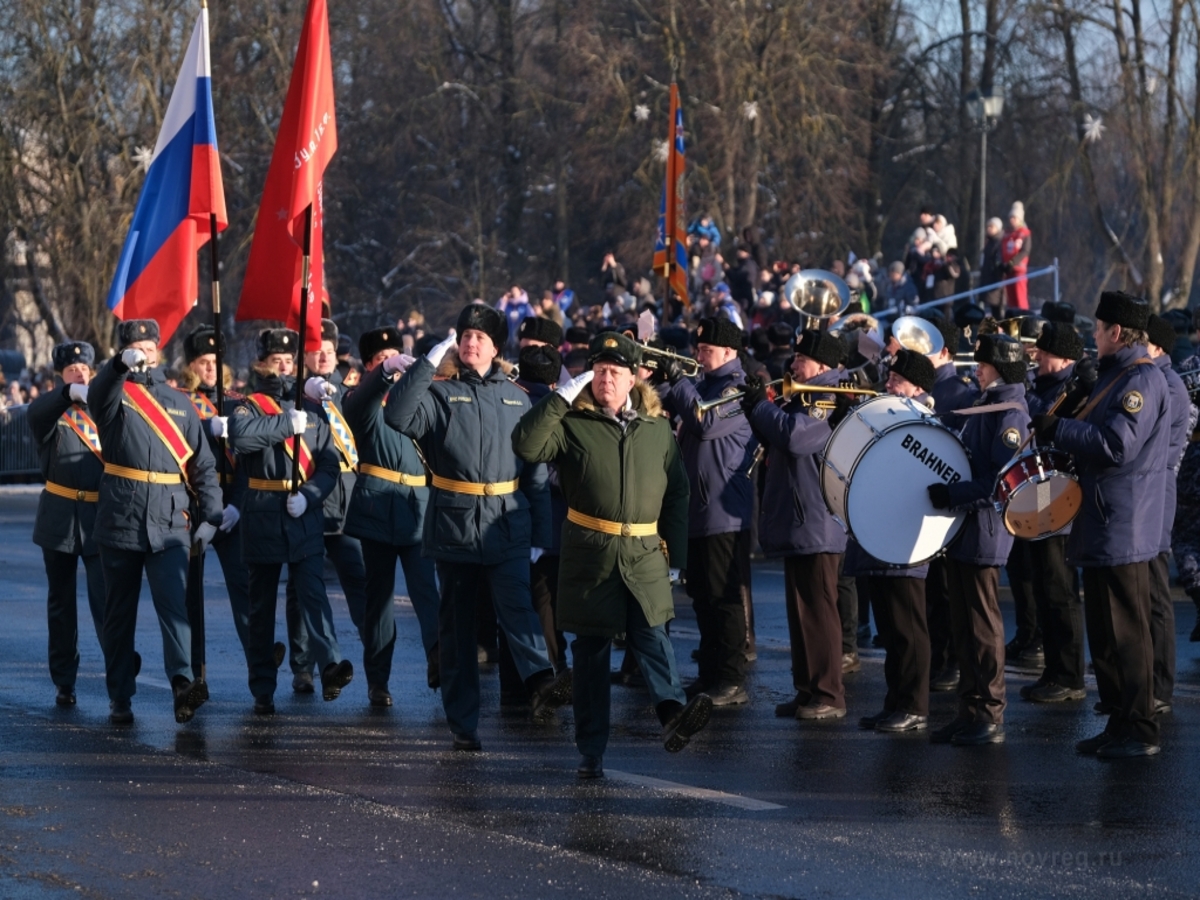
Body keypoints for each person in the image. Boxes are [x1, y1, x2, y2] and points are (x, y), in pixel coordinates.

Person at [513, 332, 707, 778]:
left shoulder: (657, 429)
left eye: (614, 372)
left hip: (643, 551)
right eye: (598, 371)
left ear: (633, 378)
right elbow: (525, 445)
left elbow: (677, 492)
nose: (605, 379)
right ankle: (591, 749)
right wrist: (561, 397)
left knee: (653, 635)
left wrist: (675, 558)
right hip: (591, 554)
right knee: (592, 654)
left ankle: (673, 714)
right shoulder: (573, 423)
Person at [384, 304, 570, 751]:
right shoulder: (440, 394)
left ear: (496, 348)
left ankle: (543, 680)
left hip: (506, 523)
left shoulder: (517, 397)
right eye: (464, 335)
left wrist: (541, 538)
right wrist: (429, 361)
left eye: (480, 337)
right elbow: (398, 417)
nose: (470, 343)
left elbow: (537, 473)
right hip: (454, 524)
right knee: (459, 629)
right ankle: (463, 721)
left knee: (518, 610)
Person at [1030, 292, 1169, 758]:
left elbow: (1117, 446)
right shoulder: (1116, 375)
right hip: (1102, 518)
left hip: (1122, 523)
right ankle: (1119, 720)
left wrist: (1058, 428)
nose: (1091, 336)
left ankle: (1142, 728)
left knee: (1129, 633)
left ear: (1116, 332)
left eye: (1097, 328)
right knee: (1106, 632)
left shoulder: (1142, 380)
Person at [89, 319, 222, 725]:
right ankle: (120, 695)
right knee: (119, 613)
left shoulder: (180, 401)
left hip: (169, 519)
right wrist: (116, 367)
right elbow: (98, 395)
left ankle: (182, 683)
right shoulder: (114, 396)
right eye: (135, 346)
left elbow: (203, 464)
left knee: (174, 605)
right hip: (121, 516)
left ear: (159, 352)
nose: (142, 352)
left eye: (148, 346)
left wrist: (212, 514)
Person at [226, 328, 354, 715]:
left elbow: (330, 463)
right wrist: (285, 425)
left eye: (289, 361)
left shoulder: (312, 408)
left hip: (303, 510)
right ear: (262, 364)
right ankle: (262, 683)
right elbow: (242, 439)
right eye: (276, 361)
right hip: (263, 509)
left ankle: (328, 665)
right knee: (262, 605)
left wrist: (311, 495)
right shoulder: (249, 405)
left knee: (313, 593)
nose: (283, 367)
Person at [926, 333, 1029, 746]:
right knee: (963, 626)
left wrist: (953, 495)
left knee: (983, 627)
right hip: (966, 528)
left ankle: (989, 711)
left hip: (985, 528)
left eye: (983, 363)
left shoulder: (1010, 411)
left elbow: (1001, 481)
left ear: (999, 367)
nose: (976, 369)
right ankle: (969, 710)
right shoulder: (986, 403)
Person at [745, 330, 849, 721]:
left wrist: (763, 409)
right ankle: (807, 688)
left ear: (822, 366)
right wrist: (756, 410)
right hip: (800, 517)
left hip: (817, 519)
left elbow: (796, 438)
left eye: (801, 358)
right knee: (801, 610)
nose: (793, 364)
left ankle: (829, 693)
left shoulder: (827, 397)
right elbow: (776, 436)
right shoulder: (803, 395)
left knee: (819, 610)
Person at [341, 326, 441, 706]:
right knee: (378, 601)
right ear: (368, 366)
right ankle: (378, 681)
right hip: (377, 506)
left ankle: (438, 658)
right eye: (381, 360)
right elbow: (359, 403)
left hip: (417, 503)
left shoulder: (416, 399)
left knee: (426, 592)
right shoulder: (363, 399)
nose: (392, 365)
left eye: (395, 357)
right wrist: (382, 376)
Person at [659, 317, 756, 706]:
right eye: (698, 349)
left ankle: (731, 679)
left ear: (730, 352)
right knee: (700, 595)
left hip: (723, 512)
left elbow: (705, 422)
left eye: (706, 350)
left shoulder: (737, 389)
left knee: (723, 597)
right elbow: (674, 403)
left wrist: (680, 381)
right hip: (698, 510)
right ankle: (710, 673)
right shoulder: (704, 385)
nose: (699, 355)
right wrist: (663, 379)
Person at [178, 325, 265, 690]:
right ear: (190, 365)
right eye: (202, 361)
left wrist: (240, 506)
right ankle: (195, 674)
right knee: (191, 596)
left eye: (215, 362)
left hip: (230, 504)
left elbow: (251, 460)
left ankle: (259, 669)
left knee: (245, 590)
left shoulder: (237, 401)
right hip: (194, 504)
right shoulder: (179, 401)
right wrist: (202, 425)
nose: (210, 368)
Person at [857, 349, 937, 733]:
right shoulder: (889, 413)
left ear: (918, 388)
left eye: (896, 381)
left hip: (907, 538)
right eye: (889, 379)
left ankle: (915, 706)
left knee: (908, 627)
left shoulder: (924, 421)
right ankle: (895, 701)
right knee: (889, 627)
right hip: (882, 532)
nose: (887, 385)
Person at [289, 319, 370, 696]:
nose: (321, 354)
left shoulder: (351, 393)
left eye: (328, 348)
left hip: (347, 505)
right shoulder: (291, 396)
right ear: (303, 355)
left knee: (358, 580)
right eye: (314, 348)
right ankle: (305, 666)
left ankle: (375, 660)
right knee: (303, 588)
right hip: (305, 501)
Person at [26, 340, 106, 707]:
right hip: (58, 515)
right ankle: (64, 680)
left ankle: (119, 672)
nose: (80, 374)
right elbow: (36, 410)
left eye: (85, 371)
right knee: (61, 604)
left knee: (105, 600)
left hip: (98, 516)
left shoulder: (101, 412)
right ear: (61, 376)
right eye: (72, 371)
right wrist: (66, 394)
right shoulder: (52, 413)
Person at [1018, 322, 1092, 704]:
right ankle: (1054, 670)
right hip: (1038, 493)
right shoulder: (1043, 386)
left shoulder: (1076, 389)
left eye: (1044, 353)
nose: (1037, 358)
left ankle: (1069, 675)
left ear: (1063, 358)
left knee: (1059, 589)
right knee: (1043, 588)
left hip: (1058, 495)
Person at [1144, 314, 1195, 716]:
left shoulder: (1172, 383)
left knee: (1158, 593)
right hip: (1156, 491)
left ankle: (1160, 684)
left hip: (1161, 490)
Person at [1001, 203, 1032, 311]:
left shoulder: (1025, 234)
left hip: (1019, 271)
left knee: (1020, 298)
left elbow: (1025, 251)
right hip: (1008, 271)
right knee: (1011, 300)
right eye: (1010, 217)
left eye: (1014, 217)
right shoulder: (1006, 234)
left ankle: (1024, 319)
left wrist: (1013, 262)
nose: (1011, 220)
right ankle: (1013, 320)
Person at [979, 218, 1006, 318]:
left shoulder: (999, 243)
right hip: (988, 279)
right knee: (992, 309)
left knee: (997, 310)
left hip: (995, 281)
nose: (989, 229)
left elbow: (999, 261)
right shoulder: (988, 243)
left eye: (992, 226)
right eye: (988, 226)